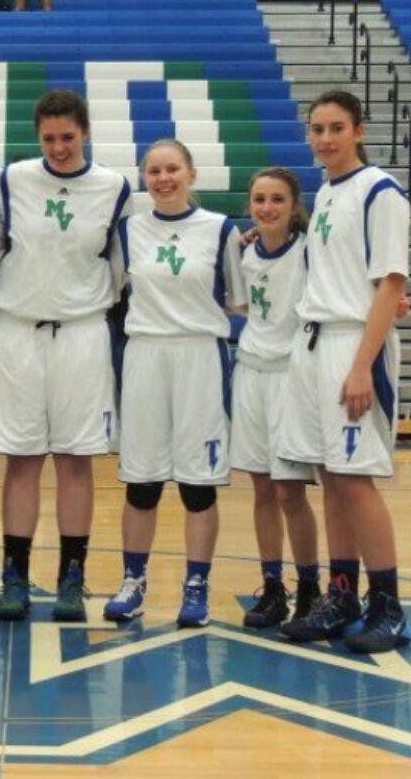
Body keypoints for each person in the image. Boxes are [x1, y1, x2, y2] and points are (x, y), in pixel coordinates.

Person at [0, 90, 132, 623]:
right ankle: (15, 576)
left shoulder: (114, 188)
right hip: (19, 332)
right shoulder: (13, 180)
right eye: (49, 138)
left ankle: (73, 576)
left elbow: (122, 267)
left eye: (68, 137)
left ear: (85, 133)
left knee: (75, 459)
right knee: (20, 460)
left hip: (82, 333)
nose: (59, 147)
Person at [275, 90, 411, 654]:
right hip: (313, 342)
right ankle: (341, 595)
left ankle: (389, 606)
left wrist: (361, 365)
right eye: (317, 129)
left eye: (336, 128)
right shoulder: (328, 195)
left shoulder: (380, 191)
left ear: (358, 130)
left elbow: (392, 285)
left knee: (355, 478)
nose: (325, 138)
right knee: (331, 475)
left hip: (353, 345)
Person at [104, 139, 245, 628]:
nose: (162, 178)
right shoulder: (127, 232)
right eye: (154, 171)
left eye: (172, 170)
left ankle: (196, 586)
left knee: (197, 485)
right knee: (141, 481)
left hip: (199, 356)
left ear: (191, 174)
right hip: (144, 354)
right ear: (145, 178)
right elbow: (110, 291)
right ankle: (133, 581)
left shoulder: (220, 230)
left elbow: (241, 300)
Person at [230, 168, 322, 628]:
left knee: (290, 491)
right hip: (251, 372)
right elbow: (241, 307)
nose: (266, 208)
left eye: (276, 200)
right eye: (260, 199)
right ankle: (272, 588)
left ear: (293, 205)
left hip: (290, 375)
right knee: (261, 487)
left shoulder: (309, 252)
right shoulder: (245, 253)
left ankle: (310, 589)